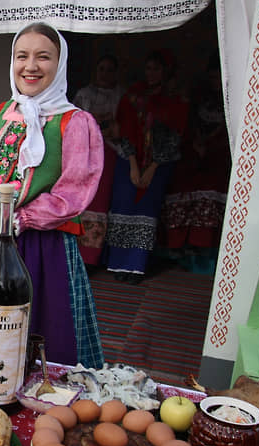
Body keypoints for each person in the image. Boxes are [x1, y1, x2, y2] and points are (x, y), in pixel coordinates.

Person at [0, 21, 105, 368]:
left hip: (41, 247)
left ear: (60, 63)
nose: (31, 66)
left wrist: (12, 223)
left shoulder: (76, 124)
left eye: (43, 57)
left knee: (42, 330)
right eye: (22, 56)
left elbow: (73, 192)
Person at [103, 50, 188, 284]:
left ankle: (136, 266)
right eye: (149, 68)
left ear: (166, 72)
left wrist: (151, 169)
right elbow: (125, 131)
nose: (152, 74)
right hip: (127, 161)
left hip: (158, 165)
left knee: (145, 212)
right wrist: (132, 165)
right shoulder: (133, 96)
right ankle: (119, 264)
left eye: (157, 69)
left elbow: (174, 136)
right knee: (123, 208)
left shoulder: (175, 99)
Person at [160, 60, 229, 274]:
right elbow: (189, 125)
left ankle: (205, 250)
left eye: (218, 77)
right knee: (183, 187)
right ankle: (182, 246)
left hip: (218, 155)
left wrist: (210, 145)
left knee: (211, 188)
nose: (214, 82)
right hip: (194, 152)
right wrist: (197, 143)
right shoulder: (200, 99)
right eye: (211, 77)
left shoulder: (232, 100)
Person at [73, 54, 124, 268]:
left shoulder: (122, 95)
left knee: (102, 204)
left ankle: (94, 258)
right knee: (82, 202)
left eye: (110, 69)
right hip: (84, 154)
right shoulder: (84, 94)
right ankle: (79, 257)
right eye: (101, 69)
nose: (105, 74)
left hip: (110, 154)